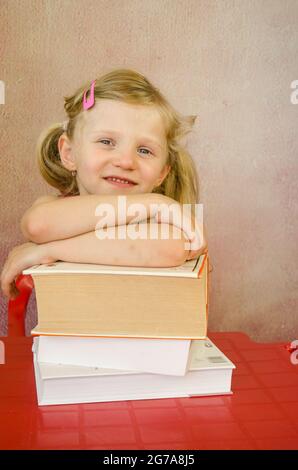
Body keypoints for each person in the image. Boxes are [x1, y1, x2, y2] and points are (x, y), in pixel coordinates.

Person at [1, 68, 207, 300]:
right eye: (107, 142)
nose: (126, 161)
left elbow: (170, 249)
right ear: (69, 154)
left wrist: (48, 251)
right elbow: (37, 225)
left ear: (162, 173)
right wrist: (156, 203)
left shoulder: (160, 223)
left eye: (144, 150)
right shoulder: (54, 209)